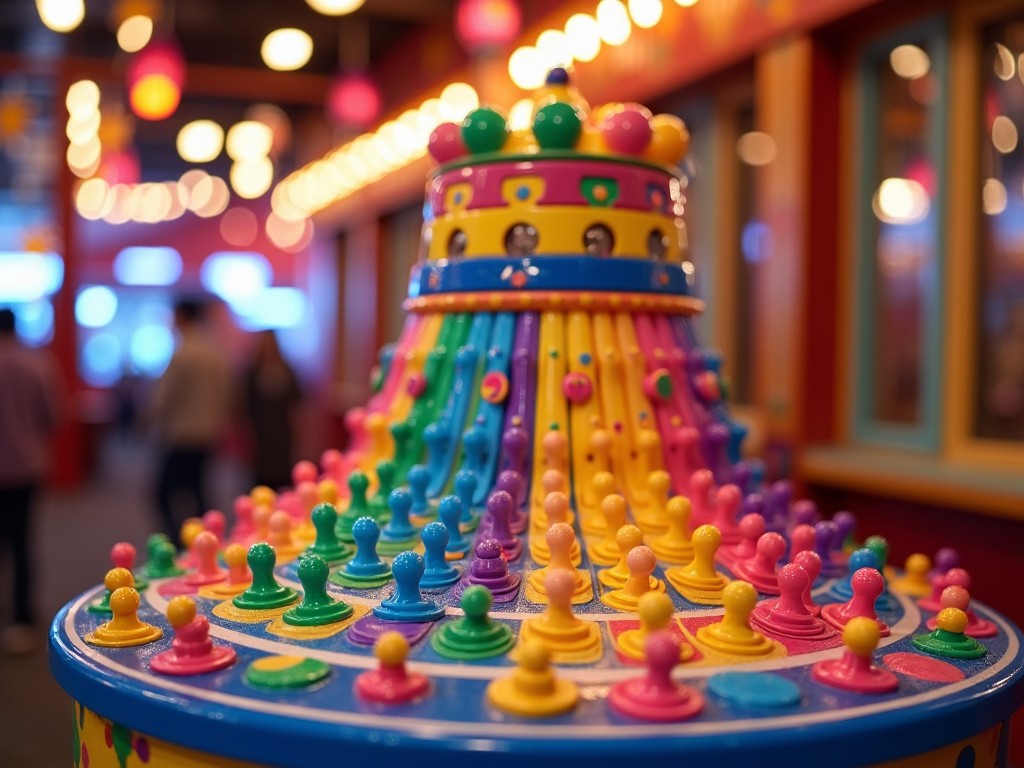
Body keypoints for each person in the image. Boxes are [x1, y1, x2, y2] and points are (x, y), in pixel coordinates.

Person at [0, 308, 64, 654]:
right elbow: (54, 415)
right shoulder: (37, 364)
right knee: (22, 541)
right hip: (26, 466)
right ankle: (23, 618)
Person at [150, 299, 233, 538]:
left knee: (162, 492)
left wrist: (149, 422)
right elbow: (227, 395)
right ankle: (206, 539)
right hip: (209, 433)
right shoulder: (216, 352)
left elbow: (164, 398)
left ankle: (179, 541)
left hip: (182, 433)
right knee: (199, 489)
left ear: (183, 317)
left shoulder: (183, 353)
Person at [243, 330, 303, 490]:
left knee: (282, 477)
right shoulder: (252, 372)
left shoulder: (287, 371)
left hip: (282, 432)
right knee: (260, 477)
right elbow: (245, 405)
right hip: (260, 433)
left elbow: (297, 401)